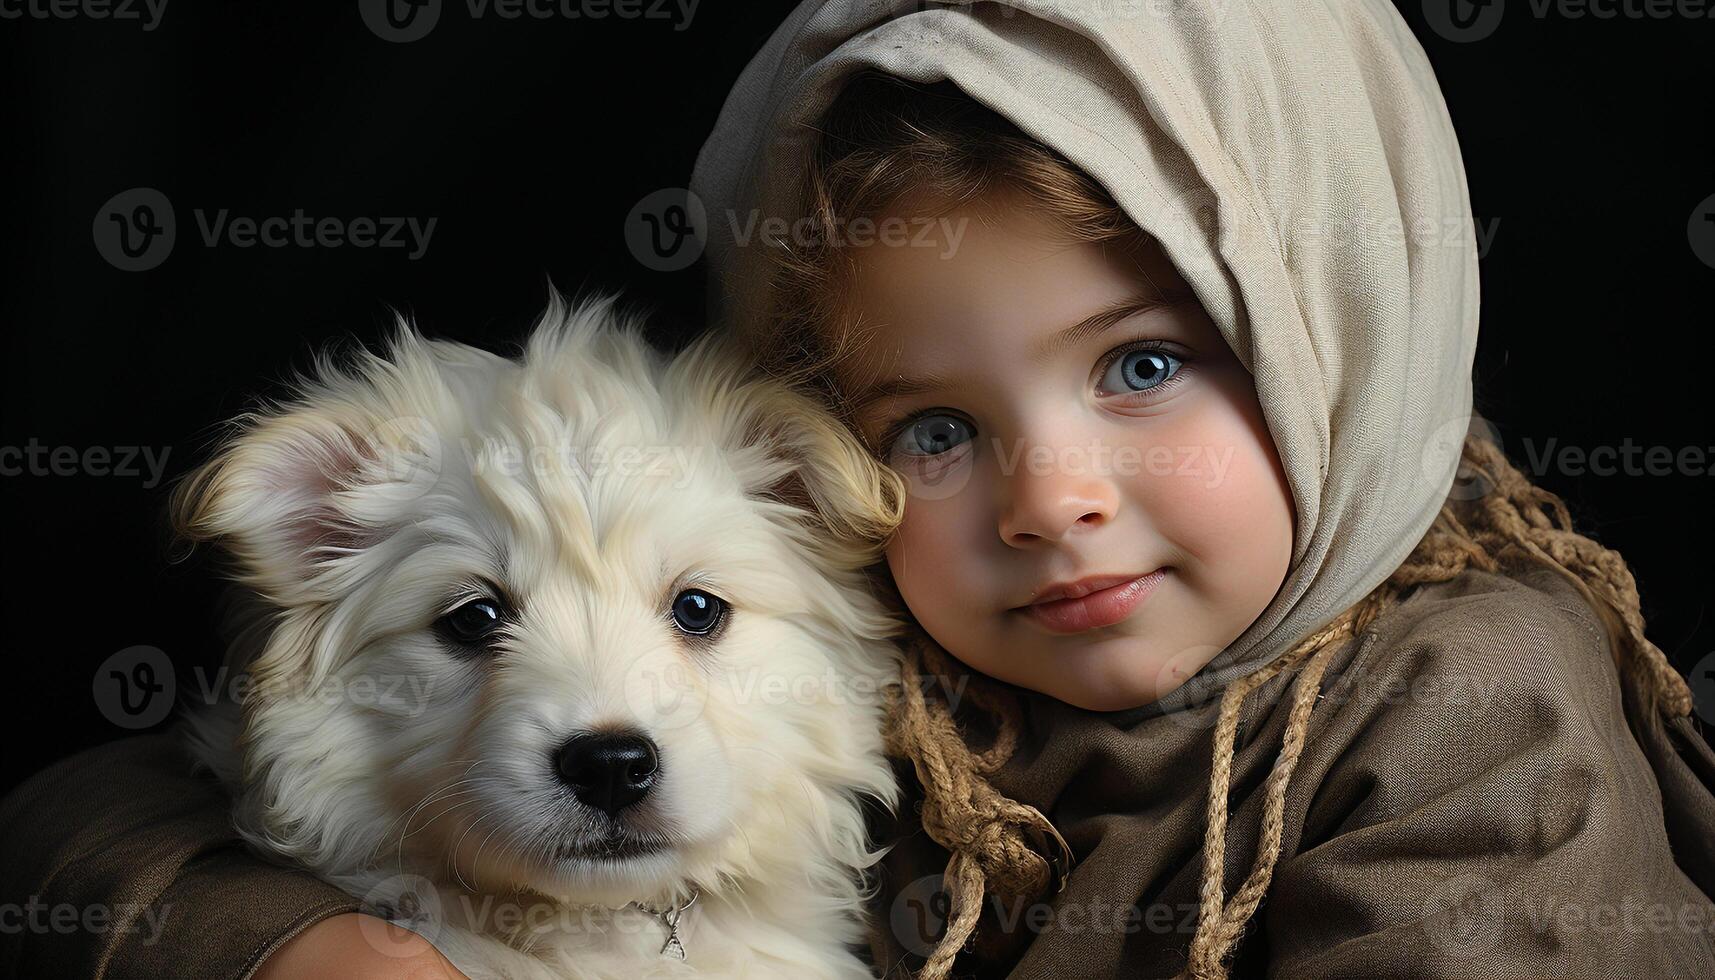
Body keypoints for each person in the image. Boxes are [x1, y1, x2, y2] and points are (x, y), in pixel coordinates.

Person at [3, 2, 1711, 978]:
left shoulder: (1475, 709)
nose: (1048, 499)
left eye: (1141, 365)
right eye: (933, 429)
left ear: (1348, 330)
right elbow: (86, 816)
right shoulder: (903, 639)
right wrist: (281, 950)